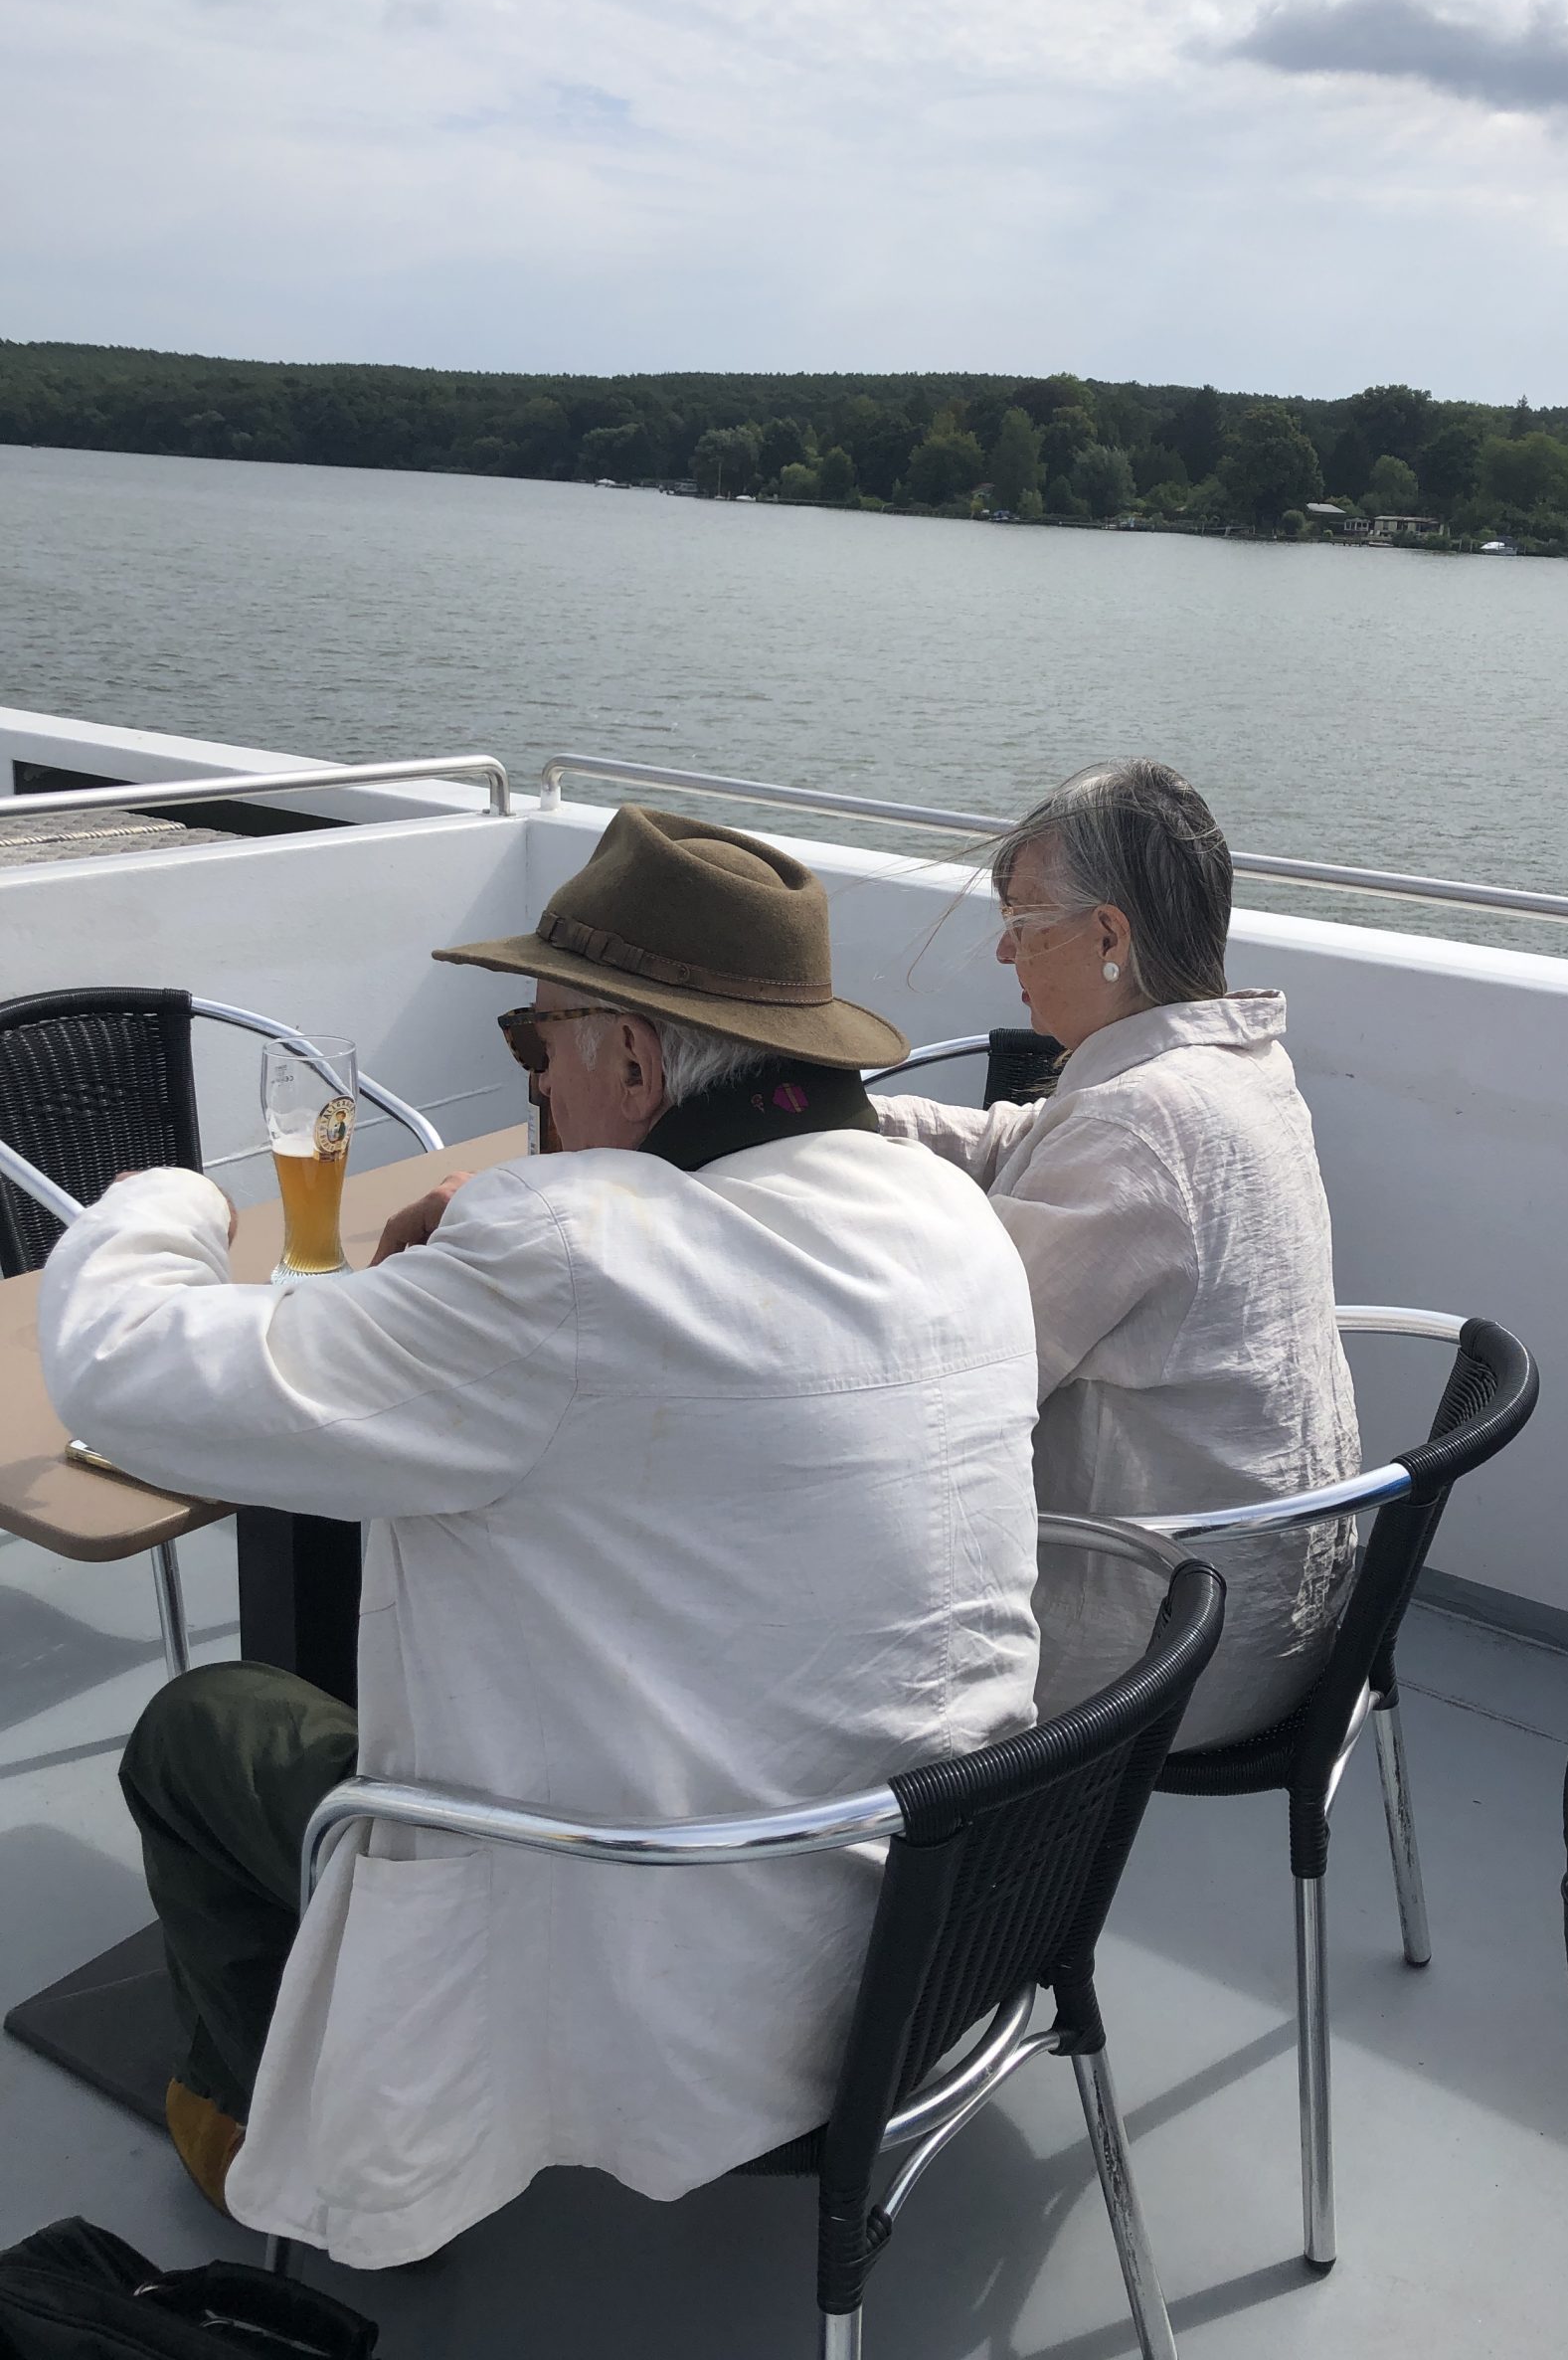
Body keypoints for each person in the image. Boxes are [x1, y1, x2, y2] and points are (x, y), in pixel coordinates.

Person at [39, 805, 1041, 2269]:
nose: (534, 1078)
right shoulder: (949, 1216)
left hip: (682, 1985)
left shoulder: (570, 1258)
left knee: (204, 1727)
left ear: (631, 1062)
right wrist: (496, 1254)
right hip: (935, 1936)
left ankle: (265, 2138)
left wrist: (167, 1195)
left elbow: (122, 1372)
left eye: (535, 1040)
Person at [876, 758, 1359, 1749]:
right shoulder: (1229, 1070)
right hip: (1273, 1605)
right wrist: (839, 1118)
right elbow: (1020, 1140)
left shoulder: (1141, 1122)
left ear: (1107, 936)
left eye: (1022, 920)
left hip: (1169, 1652)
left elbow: (959, 1383)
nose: (1005, 951)